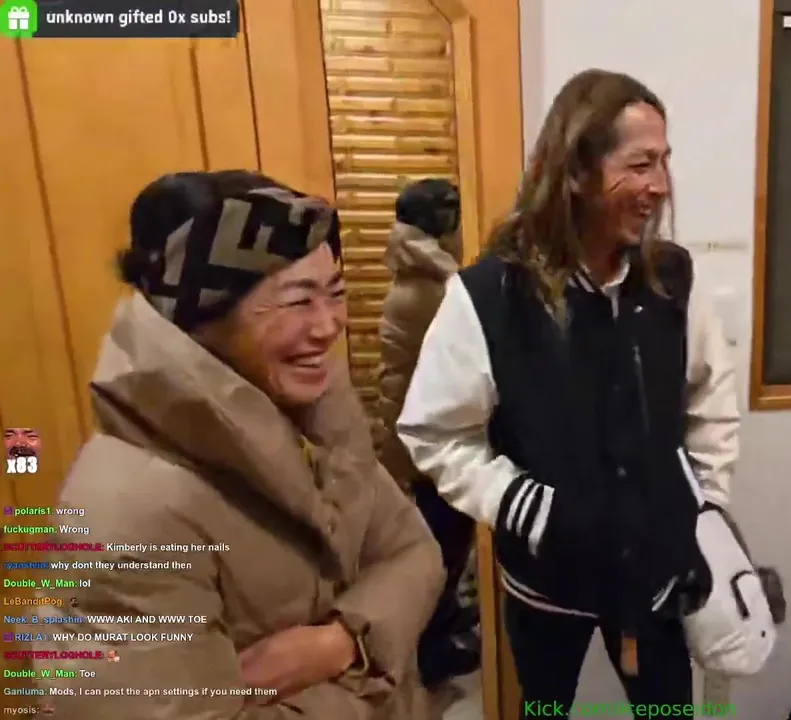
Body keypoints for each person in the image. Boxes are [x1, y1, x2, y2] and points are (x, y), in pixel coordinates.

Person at [31, 170, 445, 719]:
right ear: (203, 319)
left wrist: (342, 641)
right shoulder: (127, 512)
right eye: (298, 301)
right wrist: (372, 681)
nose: (330, 325)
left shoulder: (320, 426)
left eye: (335, 293)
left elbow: (415, 553)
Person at [396, 69, 739, 716]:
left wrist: (705, 512)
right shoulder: (488, 296)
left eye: (664, 162)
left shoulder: (673, 280)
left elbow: (712, 402)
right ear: (577, 171)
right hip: (545, 587)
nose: (660, 185)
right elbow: (434, 434)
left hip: (658, 578)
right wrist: (526, 507)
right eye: (640, 164)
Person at [370, 177, 480, 687]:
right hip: (428, 440)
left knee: (444, 538)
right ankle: (433, 649)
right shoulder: (436, 289)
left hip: (413, 433)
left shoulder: (421, 275)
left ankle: (445, 620)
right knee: (443, 546)